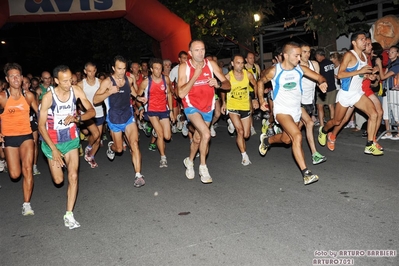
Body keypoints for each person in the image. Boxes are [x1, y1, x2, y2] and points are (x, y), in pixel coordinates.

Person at [257, 42, 328, 185]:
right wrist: (260, 101)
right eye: (296, 56)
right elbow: (259, 82)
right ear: (286, 55)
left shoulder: (300, 69)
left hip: (296, 110)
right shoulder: (274, 71)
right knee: (297, 136)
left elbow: (319, 77)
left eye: (300, 56)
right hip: (281, 111)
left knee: (287, 140)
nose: (299, 59)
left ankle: (267, 140)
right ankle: (306, 173)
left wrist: (322, 82)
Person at [38, 65, 95, 229]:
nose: (69, 83)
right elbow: (41, 126)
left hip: (71, 139)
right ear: (56, 81)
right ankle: (53, 157)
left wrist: (78, 117)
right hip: (53, 142)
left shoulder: (76, 91)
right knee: (58, 180)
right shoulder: (48, 97)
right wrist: (54, 150)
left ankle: (69, 214)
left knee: (73, 176)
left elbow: (91, 111)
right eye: (65, 81)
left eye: (70, 80)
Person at [318, 31, 383, 156]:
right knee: (337, 121)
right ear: (354, 42)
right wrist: (360, 71)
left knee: (374, 114)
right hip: (346, 94)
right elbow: (340, 75)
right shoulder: (349, 55)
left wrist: (368, 76)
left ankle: (369, 144)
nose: (365, 41)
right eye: (362, 39)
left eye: (365, 39)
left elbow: (359, 75)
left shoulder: (364, 57)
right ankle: (324, 131)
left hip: (357, 93)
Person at [178, 39, 230, 184]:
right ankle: (203, 168)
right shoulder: (184, 67)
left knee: (197, 138)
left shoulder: (211, 65)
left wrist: (218, 84)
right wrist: (195, 75)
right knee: (206, 133)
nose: (200, 53)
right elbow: (181, 93)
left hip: (208, 107)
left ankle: (189, 161)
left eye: (202, 49)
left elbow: (228, 84)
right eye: (196, 50)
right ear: (190, 53)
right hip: (191, 106)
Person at [93, 55, 147, 188]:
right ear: (113, 68)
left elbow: (133, 92)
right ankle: (111, 147)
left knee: (134, 144)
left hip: (128, 116)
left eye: (124, 68)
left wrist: (139, 98)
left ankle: (138, 175)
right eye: (119, 68)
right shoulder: (107, 82)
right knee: (119, 150)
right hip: (114, 119)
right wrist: (109, 92)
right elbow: (95, 100)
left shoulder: (129, 79)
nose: (122, 71)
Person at [0, 63, 38, 215]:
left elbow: (40, 112)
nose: (15, 78)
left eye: (18, 75)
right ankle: (7, 162)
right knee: (15, 174)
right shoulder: (3, 97)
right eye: (12, 76)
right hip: (9, 137)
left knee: (27, 169)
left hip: (26, 135)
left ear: (22, 78)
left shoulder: (28, 96)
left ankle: (27, 204)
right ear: (7, 79)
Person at [221, 54, 257, 166]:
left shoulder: (248, 74)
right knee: (240, 131)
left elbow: (256, 85)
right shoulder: (228, 76)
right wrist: (224, 102)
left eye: (242, 63)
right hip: (233, 106)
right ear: (232, 63)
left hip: (245, 106)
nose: (240, 65)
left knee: (246, 134)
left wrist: (255, 99)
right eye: (238, 63)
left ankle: (231, 123)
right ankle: (244, 156)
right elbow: (222, 89)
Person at [139, 58, 174, 167]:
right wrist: (140, 108)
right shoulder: (146, 82)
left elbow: (169, 94)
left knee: (167, 137)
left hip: (164, 109)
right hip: (152, 110)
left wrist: (171, 111)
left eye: (160, 68)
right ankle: (163, 158)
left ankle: (155, 131)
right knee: (160, 134)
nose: (158, 71)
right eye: (156, 68)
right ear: (151, 69)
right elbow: (137, 96)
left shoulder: (166, 79)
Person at [299, 44, 327, 165]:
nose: (307, 54)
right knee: (310, 124)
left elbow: (317, 79)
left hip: (309, 102)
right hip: (297, 102)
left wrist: (320, 84)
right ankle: (315, 154)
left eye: (309, 52)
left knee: (292, 134)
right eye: (304, 52)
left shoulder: (314, 64)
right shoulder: (296, 67)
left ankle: (269, 140)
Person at [77, 62, 104, 168]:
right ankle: (88, 147)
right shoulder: (81, 84)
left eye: (93, 71)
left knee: (98, 138)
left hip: (100, 112)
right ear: (85, 71)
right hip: (88, 114)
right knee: (96, 134)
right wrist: (81, 108)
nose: (91, 73)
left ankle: (91, 156)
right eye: (89, 71)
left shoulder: (101, 82)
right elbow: (77, 100)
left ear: (95, 70)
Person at [22, 76, 41, 175]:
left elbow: (37, 109)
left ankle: (34, 166)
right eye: (23, 83)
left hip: (32, 121)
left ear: (29, 85)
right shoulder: (15, 95)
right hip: (20, 123)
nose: (24, 85)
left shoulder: (33, 94)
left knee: (34, 143)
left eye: (26, 83)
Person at [314, 48, 337, 128]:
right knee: (331, 106)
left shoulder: (320, 65)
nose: (316, 58)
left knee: (320, 106)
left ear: (319, 55)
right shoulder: (330, 63)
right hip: (332, 86)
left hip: (323, 88)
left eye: (316, 56)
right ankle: (332, 123)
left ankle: (321, 124)